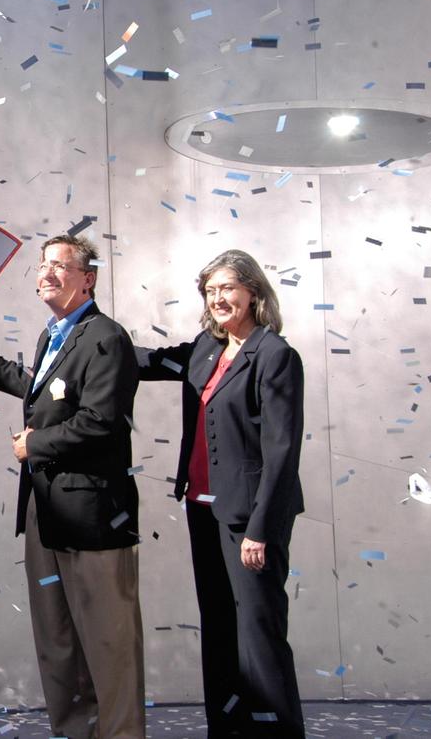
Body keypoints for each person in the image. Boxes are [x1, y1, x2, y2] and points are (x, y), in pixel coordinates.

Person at [0, 234, 144, 739]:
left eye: (61, 265)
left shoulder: (107, 337)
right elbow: (47, 387)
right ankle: (75, 731)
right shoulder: (55, 334)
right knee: (57, 639)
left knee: (108, 642)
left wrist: (35, 445)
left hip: (93, 516)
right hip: (44, 510)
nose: (47, 273)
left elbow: (102, 420)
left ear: (89, 278)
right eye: (43, 265)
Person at [136, 250, 305, 738]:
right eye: (210, 291)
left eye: (227, 288)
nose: (218, 299)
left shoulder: (275, 355)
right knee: (220, 630)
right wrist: (92, 340)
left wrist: (260, 530)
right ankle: (227, 730)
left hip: (249, 520)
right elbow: (144, 361)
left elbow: (282, 452)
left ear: (253, 291)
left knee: (259, 634)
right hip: (202, 511)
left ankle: (278, 733)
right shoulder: (205, 350)